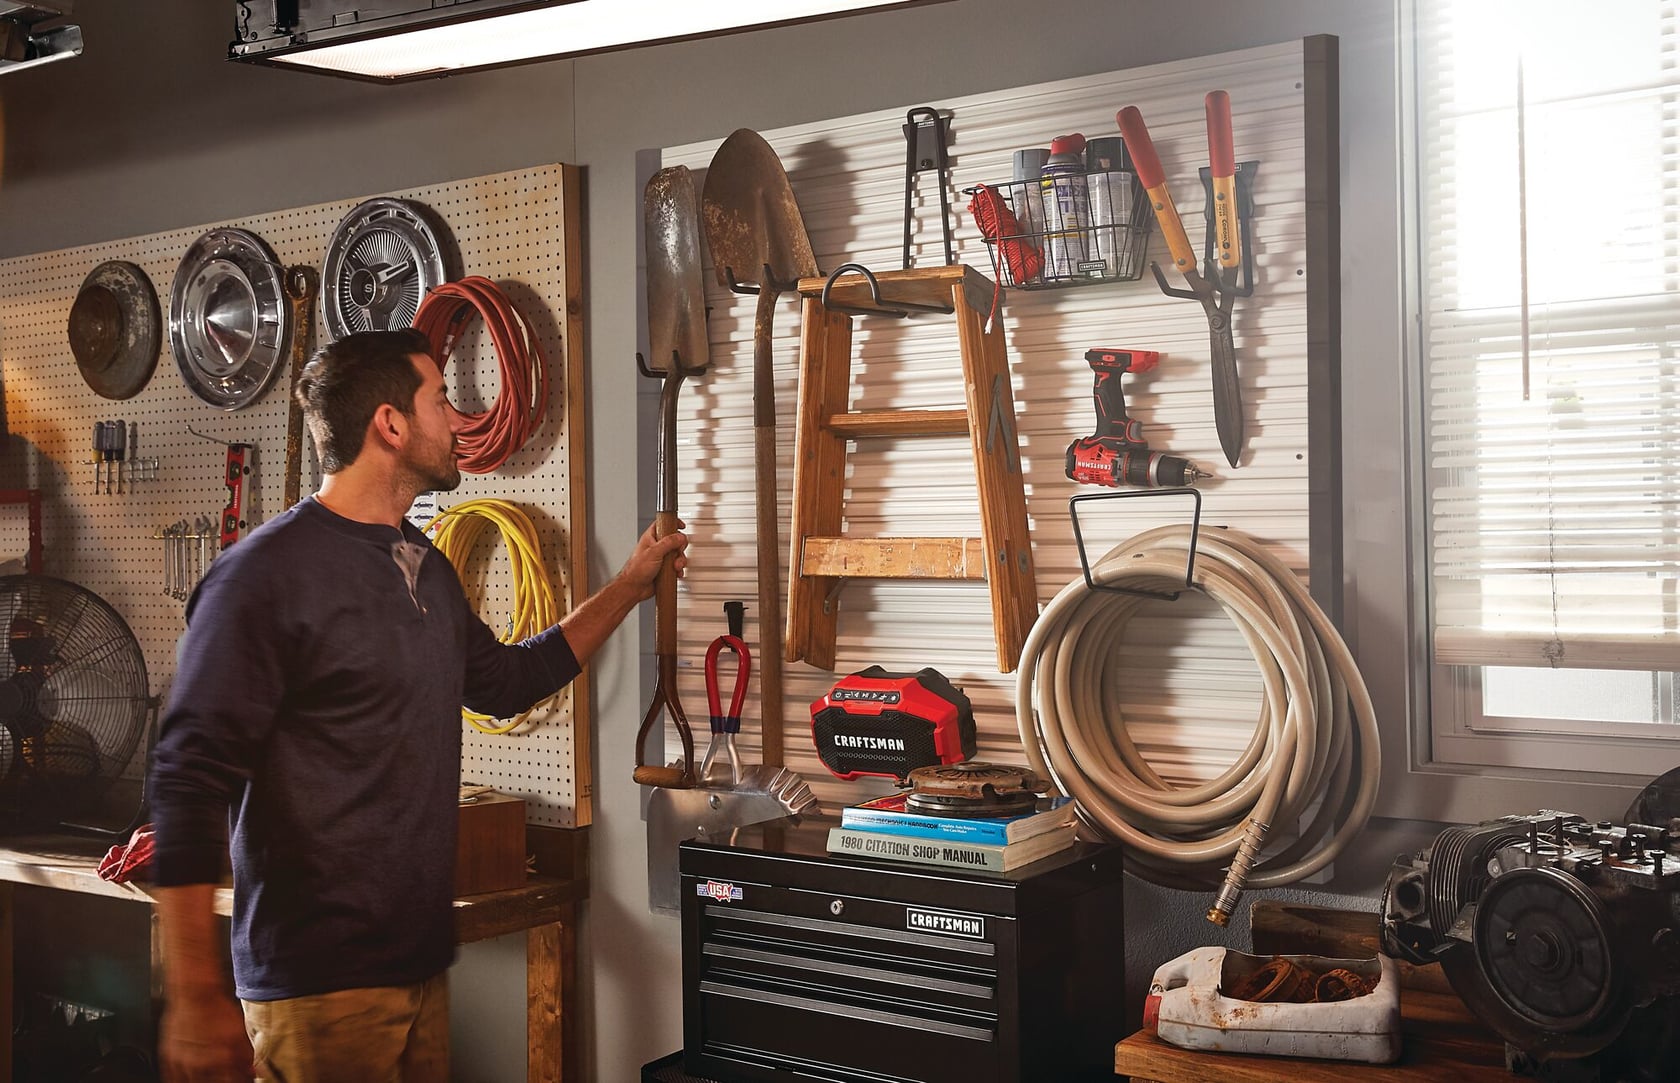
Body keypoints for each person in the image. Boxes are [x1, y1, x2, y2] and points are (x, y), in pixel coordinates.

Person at [147, 328, 687, 1082]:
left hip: (419, 961)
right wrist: (195, 992)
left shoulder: (422, 564)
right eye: (440, 398)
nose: (459, 419)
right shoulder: (263, 577)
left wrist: (630, 586)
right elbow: (186, 779)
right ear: (390, 425)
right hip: (317, 981)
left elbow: (503, 680)